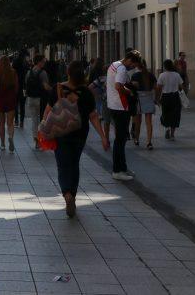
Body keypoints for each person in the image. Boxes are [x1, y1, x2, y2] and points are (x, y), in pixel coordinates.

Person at [52, 60, 110, 218]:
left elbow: (50, 109)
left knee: (63, 165)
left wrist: (43, 129)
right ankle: (73, 194)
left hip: (61, 132)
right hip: (80, 132)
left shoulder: (59, 88)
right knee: (74, 164)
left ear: (68, 73)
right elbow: (93, 116)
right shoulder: (86, 92)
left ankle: (67, 194)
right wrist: (103, 137)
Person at [106, 51, 139, 181]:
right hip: (120, 106)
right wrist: (129, 92)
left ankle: (123, 167)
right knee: (120, 139)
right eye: (133, 64)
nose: (133, 67)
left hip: (113, 105)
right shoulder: (121, 69)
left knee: (122, 138)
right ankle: (117, 170)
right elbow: (118, 86)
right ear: (130, 60)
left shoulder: (114, 64)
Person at [129, 56, 156, 150]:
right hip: (148, 97)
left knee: (138, 121)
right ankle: (149, 142)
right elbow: (155, 87)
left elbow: (132, 88)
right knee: (148, 122)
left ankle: (136, 139)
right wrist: (156, 98)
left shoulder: (135, 76)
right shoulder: (151, 75)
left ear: (137, 65)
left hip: (138, 99)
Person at [26, 55, 53, 147]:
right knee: (42, 119)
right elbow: (46, 87)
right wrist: (53, 90)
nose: (44, 63)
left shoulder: (29, 72)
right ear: (39, 62)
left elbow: (26, 84)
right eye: (43, 61)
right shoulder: (43, 73)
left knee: (34, 120)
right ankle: (40, 140)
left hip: (30, 99)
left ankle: (36, 140)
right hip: (40, 99)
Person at [0, 56, 19, 152]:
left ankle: (2, 144)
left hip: (0, 99)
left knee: (1, 122)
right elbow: (17, 87)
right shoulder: (13, 72)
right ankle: (11, 138)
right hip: (11, 98)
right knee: (10, 122)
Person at [156, 59, 184, 140]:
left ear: (164, 66)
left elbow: (159, 88)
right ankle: (172, 135)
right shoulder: (176, 75)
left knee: (165, 113)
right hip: (175, 97)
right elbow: (181, 87)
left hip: (165, 97)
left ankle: (167, 128)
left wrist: (157, 99)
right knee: (175, 115)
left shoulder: (162, 75)